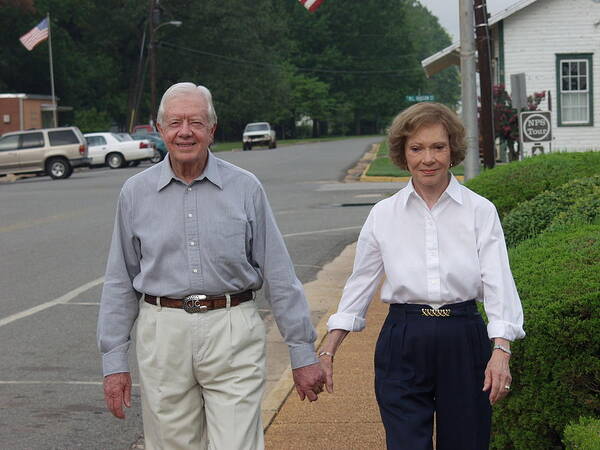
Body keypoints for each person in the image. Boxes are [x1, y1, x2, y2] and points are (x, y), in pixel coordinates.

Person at [97, 82, 325, 450]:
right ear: (160, 130)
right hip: (162, 331)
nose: (184, 132)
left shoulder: (245, 188)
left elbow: (280, 275)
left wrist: (302, 352)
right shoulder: (134, 193)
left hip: (233, 327)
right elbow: (120, 281)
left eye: (195, 122)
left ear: (212, 130)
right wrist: (114, 361)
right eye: (174, 123)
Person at [318, 102, 525, 449]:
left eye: (437, 147)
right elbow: (359, 286)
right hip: (402, 341)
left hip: (464, 339)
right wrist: (328, 350)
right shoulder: (383, 215)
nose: (428, 158)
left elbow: (498, 282)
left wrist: (500, 350)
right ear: (403, 152)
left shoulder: (480, 211)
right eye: (417, 148)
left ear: (452, 150)